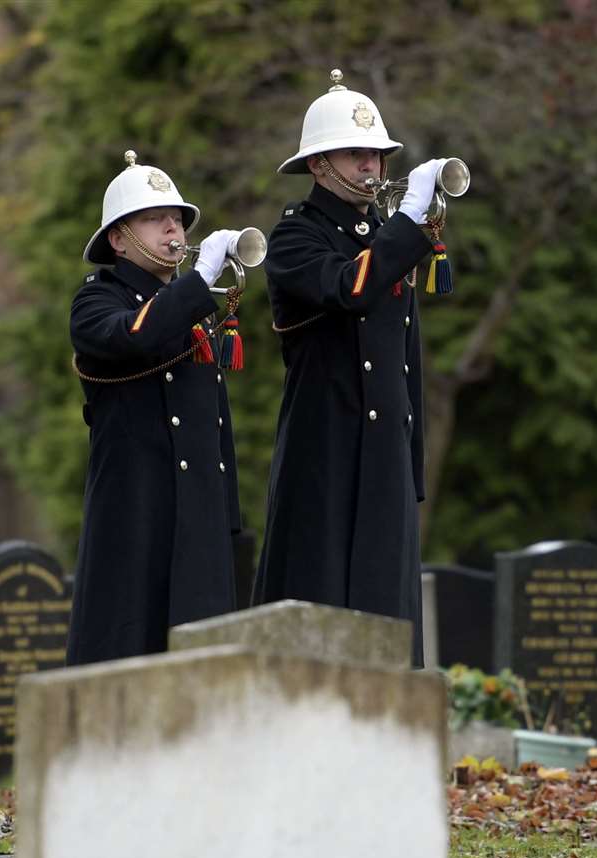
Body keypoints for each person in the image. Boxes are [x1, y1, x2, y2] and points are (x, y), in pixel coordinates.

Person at [253, 69, 452, 665]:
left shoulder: (385, 235)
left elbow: (406, 355)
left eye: (377, 154)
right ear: (318, 165)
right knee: (322, 604)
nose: (371, 166)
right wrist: (409, 224)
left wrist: (408, 455)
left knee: (387, 610)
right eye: (355, 154)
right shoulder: (294, 236)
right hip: (328, 442)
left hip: (384, 447)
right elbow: (351, 288)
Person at [65, 150, 246, 665]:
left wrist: (225, 512)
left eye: (178, 219)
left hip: (198, 510)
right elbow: (136, 336)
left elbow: (215, 419)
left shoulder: (189, 305)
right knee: (130, 648)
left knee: (202, 659)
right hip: (137, 508)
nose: (174, 228)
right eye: (155, 218)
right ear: (119, 238)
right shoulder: (97, 300)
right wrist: (199, 281)